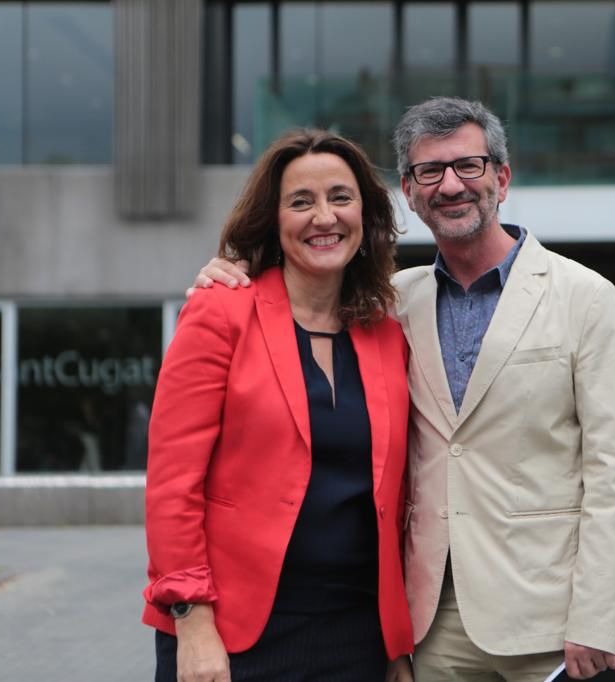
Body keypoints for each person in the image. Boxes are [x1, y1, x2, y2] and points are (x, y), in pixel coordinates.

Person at [193, 97, 615, 681]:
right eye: (429, 171)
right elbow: (298, 300)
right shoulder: (389, 304)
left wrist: (597, 616)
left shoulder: (585, 297)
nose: (450, 185)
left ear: (502, 179)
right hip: (431, 622)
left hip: (548, 617)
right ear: (409, 192)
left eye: (469, 166)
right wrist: (224, 275)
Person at [145, 129, 414, 682]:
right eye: (301, 202)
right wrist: (191, 621)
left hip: (356, 634)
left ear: (365, 215)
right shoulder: (221, 313)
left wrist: (395, 646)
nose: (324, 217)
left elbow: (395, 495)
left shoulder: (387, 332)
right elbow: (173, 484)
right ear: (274, 219)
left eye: (341, 197)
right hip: (234, 634)